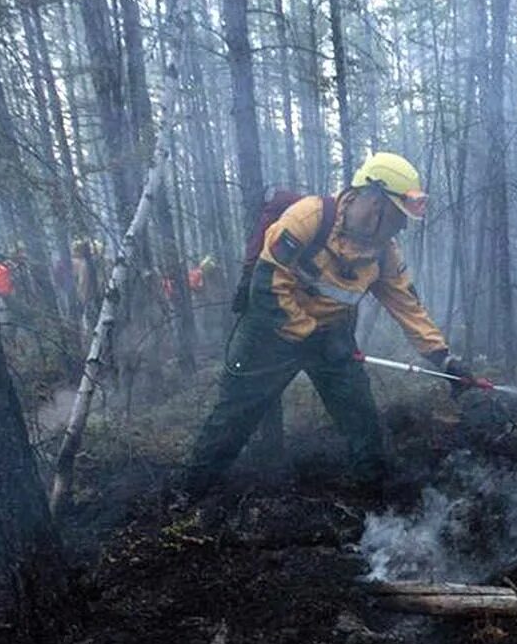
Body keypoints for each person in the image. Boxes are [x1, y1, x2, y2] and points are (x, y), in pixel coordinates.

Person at [182, 151, 473, 493]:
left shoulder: (384, 252)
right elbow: (268, 286)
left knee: (361, 418)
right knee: (233, 417)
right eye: (399, 216)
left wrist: (444, 359)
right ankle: (190, 495)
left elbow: (408, 307)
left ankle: (377, 497)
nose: (402, 226)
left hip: (331, 337)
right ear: (376, 202)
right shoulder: (308, 219)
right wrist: (310, 336)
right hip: (270, 332)